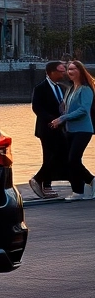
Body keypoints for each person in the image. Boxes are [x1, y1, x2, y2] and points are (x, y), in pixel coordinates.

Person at [53, 60, 94, 201]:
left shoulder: (85, 89)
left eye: (73, 69)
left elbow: (83, 110)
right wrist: (59, 117)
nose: (70, 72)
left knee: (73, 159)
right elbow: (65, 106)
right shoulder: (71, 89)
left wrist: (63, 118)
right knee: (70, 161)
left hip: (83, 130)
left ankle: (89, 182)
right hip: (70, 130)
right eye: (68, 69)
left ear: (80, 71)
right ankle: (79, 191)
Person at [29, 61, 69, 199]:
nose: (64, 73)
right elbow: (37, 108)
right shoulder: (40, 88)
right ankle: (43, 182)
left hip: (61, 128)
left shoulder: (63, 88)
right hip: (47, 128)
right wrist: (52, 120)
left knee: (59, 153)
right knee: (50, 155)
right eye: (61, 71)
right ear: (51, 72)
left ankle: (45, 183)